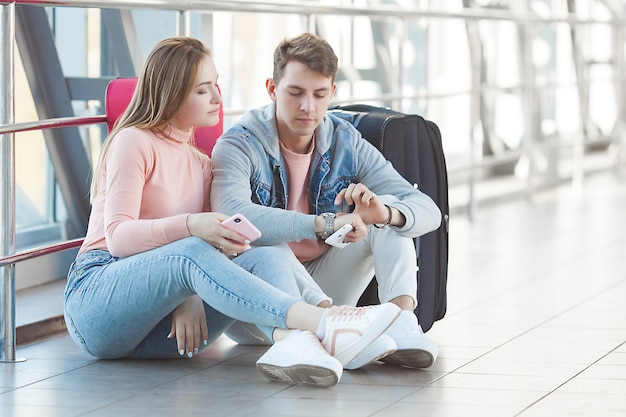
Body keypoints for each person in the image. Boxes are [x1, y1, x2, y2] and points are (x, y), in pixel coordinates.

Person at [63, 36, 402, 388]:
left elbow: (209, 252)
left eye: (216, 86)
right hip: (98, 302)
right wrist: (192, 227)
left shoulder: (202, 164)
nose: (217, 98)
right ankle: (326, 323)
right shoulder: (134, 141)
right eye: (202, 90)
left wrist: (188, 293)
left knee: (264, 250)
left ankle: (298, 343)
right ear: (172, 92)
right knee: (193, 248)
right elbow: (118, 238)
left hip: (166, 331)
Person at [211, 33, 442, 370]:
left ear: (332, 92)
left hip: (326, 295)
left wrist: (385, 213)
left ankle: (402, 323)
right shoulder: (240, 143)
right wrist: (324, 224)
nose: (308, 106)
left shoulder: (344, 140)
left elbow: (427, 208)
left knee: (388, 211)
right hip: (259, 306)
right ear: (272, 89)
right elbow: (234, 216)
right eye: (295, 93)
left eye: (320, 94)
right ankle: (335, 332)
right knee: (260, 237)